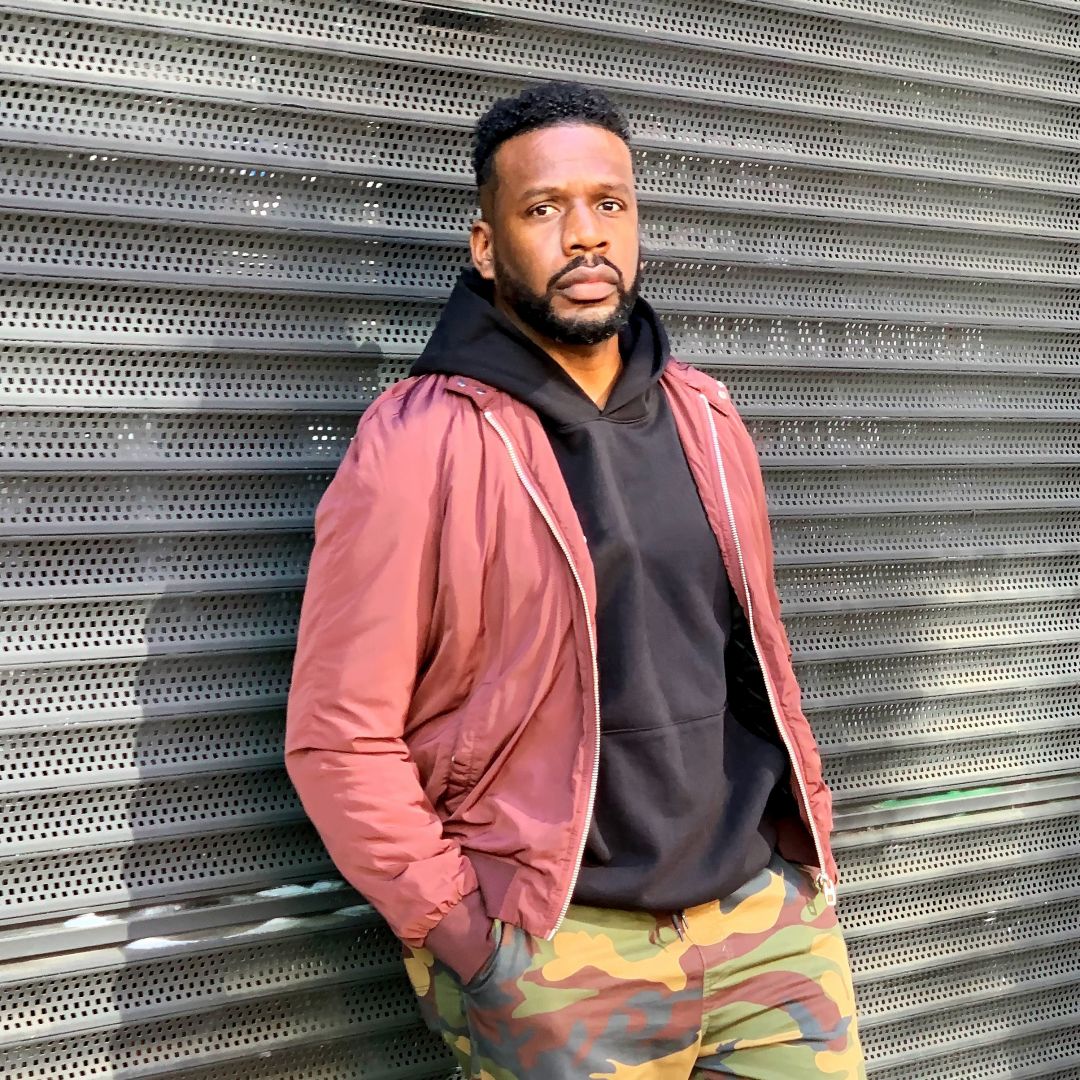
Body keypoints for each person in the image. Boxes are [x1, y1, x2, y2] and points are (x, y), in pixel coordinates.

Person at [285, 80, 865, 1079]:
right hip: (561, 951)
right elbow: (339, 735)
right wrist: (469, 938)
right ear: (486, 246)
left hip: (763, 933)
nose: (584, 234)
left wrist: (804, 858)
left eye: (609, 204)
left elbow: (756, 653)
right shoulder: (419, 442)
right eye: (544, 208)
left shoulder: (707, 417)